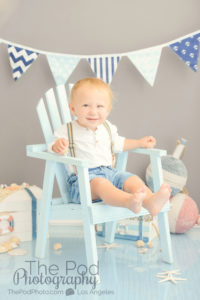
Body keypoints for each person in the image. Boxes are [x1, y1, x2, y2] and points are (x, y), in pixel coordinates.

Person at [50, 77, 171, 216]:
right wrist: (57, 147)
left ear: (108, 110)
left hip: (110, 172)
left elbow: (120, 143)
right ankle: (129, 201)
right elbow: (52, 146)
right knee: (101, 183)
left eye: (99, 106)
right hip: (82, 183)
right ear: (73, 108)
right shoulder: (67, 130)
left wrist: (140, 143)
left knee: (132, 179)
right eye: (85, 105)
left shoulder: (107, 128)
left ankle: (150, 202)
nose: (93, 111)